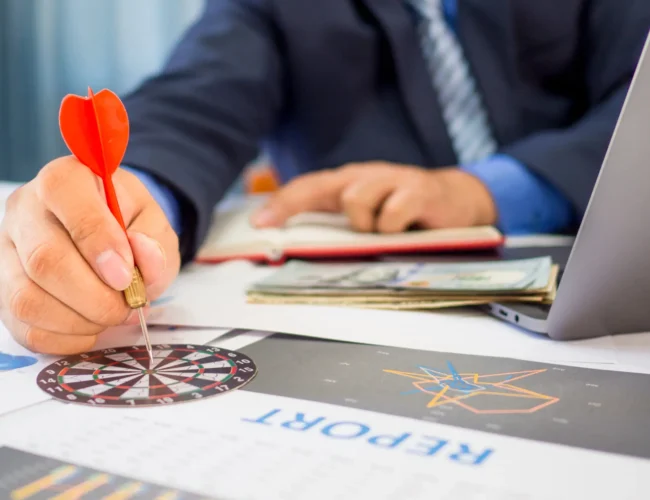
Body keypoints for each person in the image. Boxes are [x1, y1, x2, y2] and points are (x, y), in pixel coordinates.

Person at [1, 0, 649, 355]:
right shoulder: (269, 11)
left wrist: (486, 189)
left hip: (601, 273)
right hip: (368, 322)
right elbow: (190, 106)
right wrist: (134, 196)